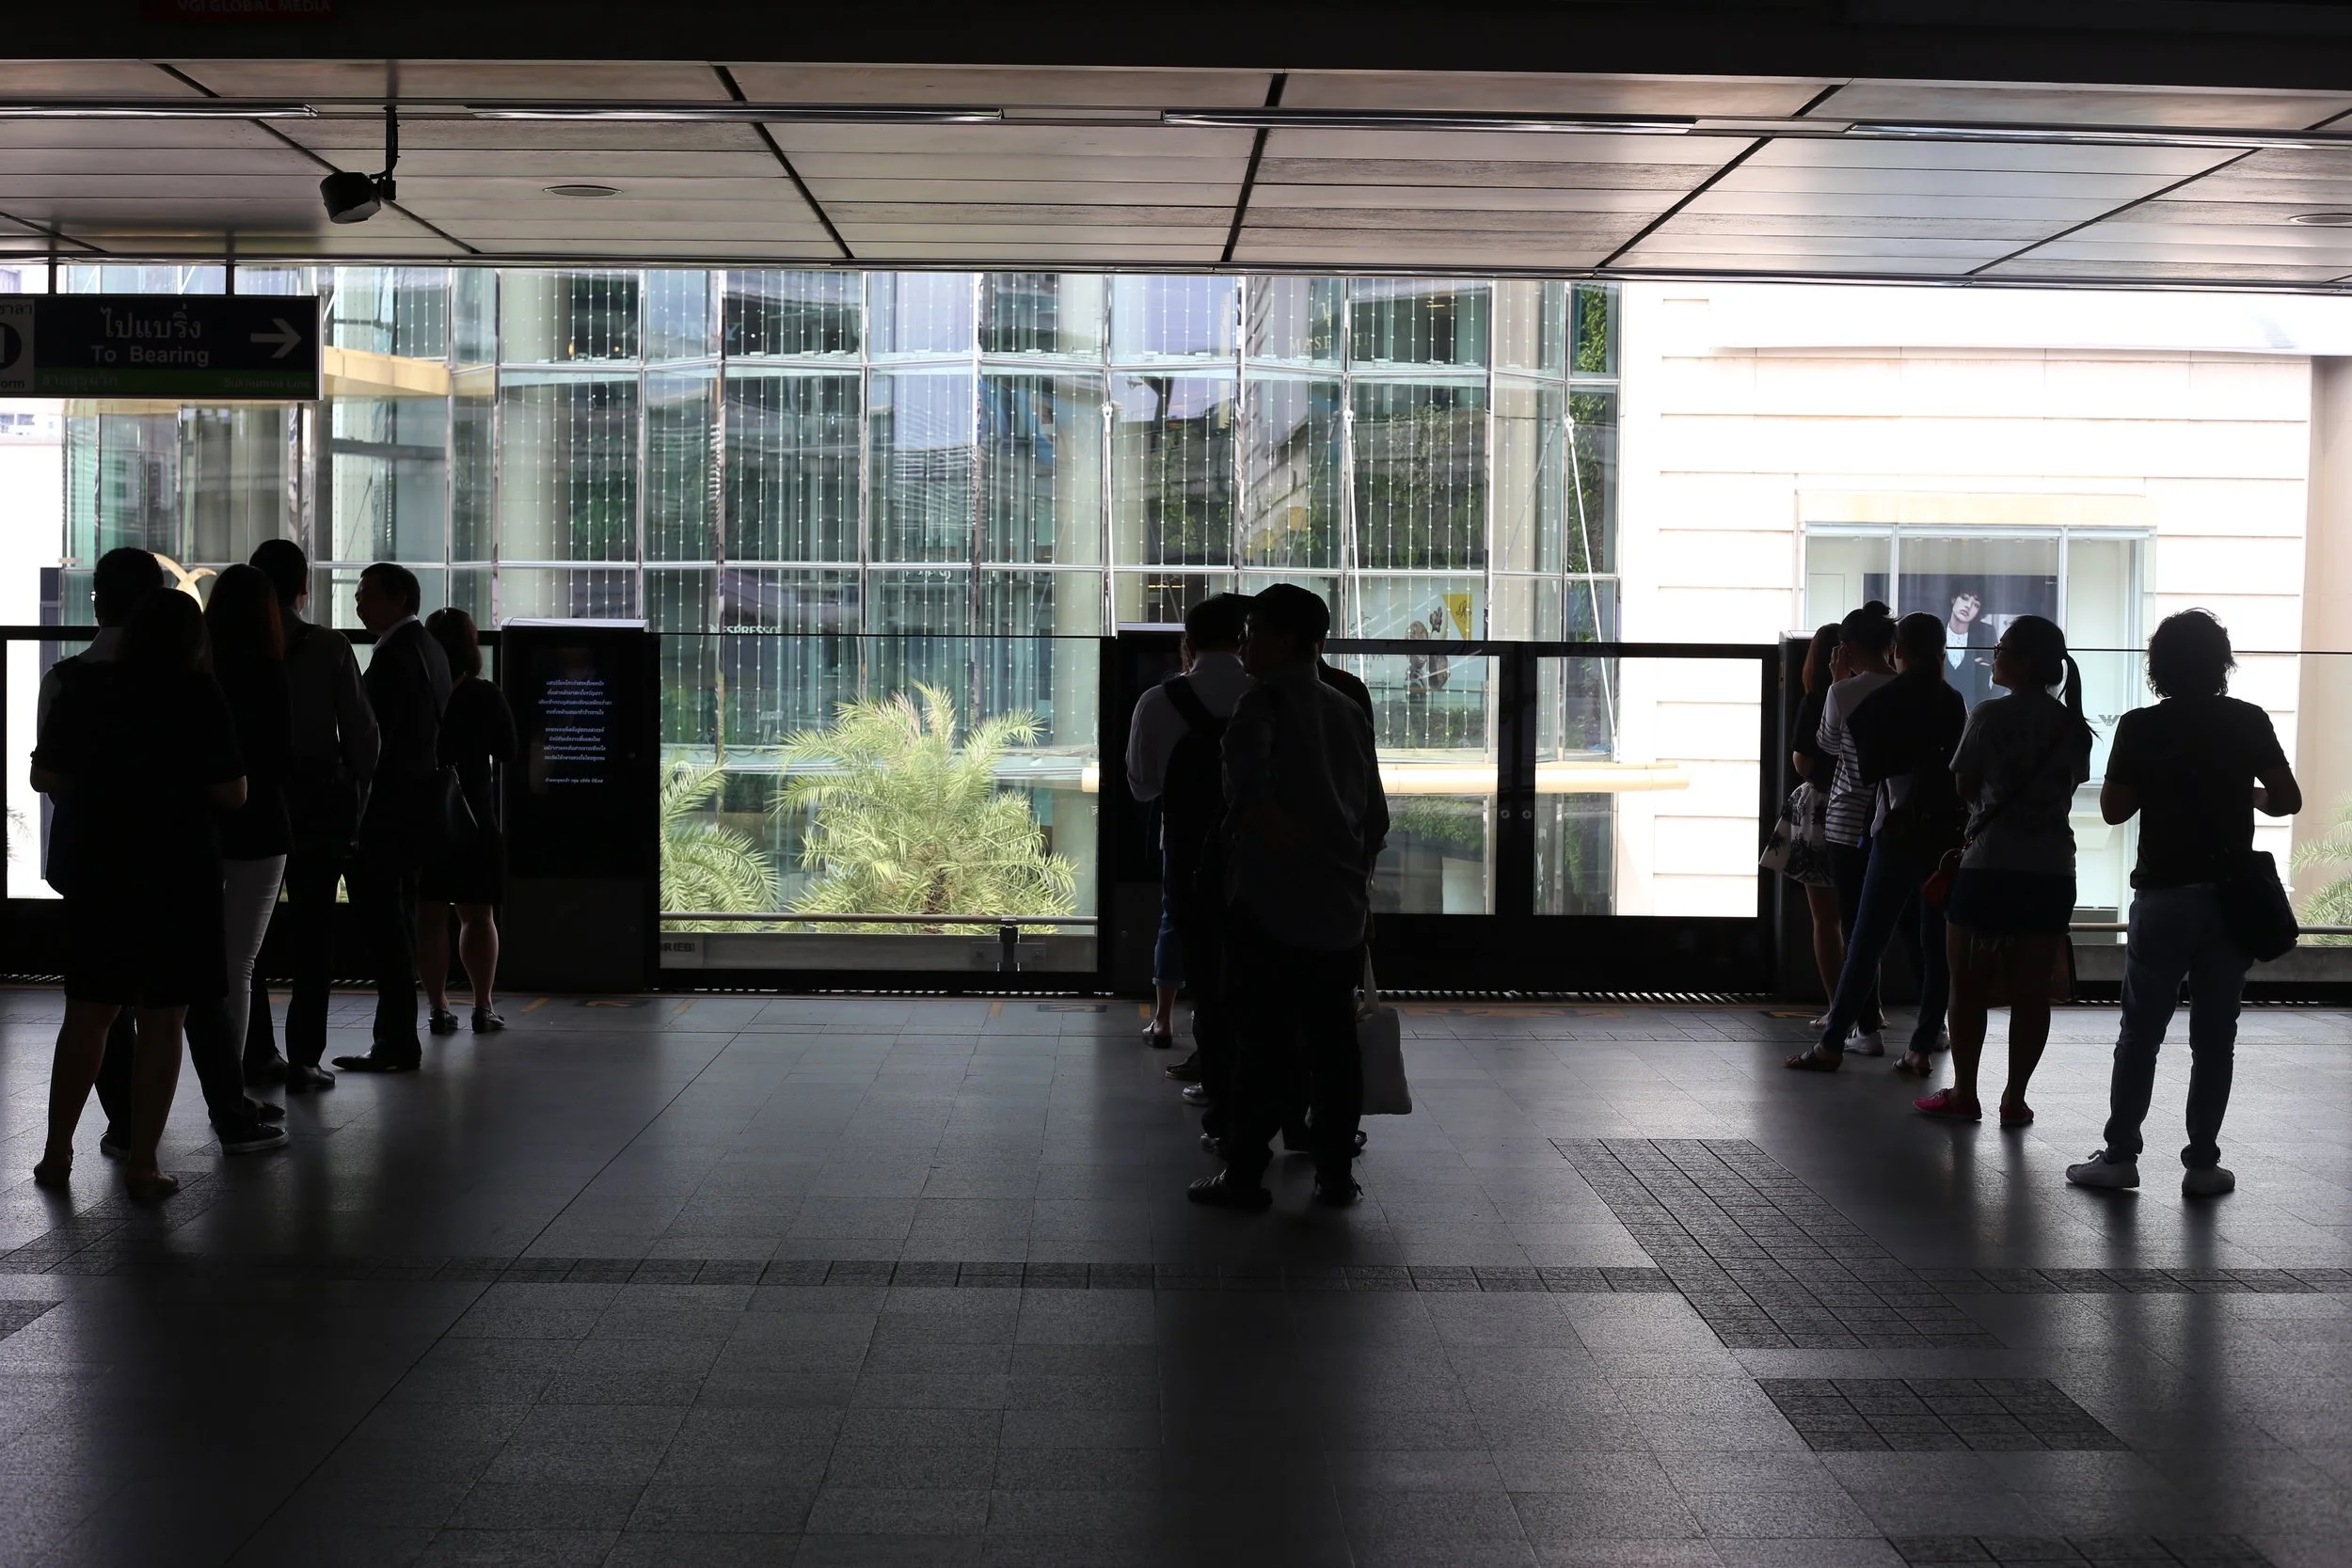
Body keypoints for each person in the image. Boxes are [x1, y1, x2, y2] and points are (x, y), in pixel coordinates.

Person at [2069, 610, 2300, 1197]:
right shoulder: (2247, 720)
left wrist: (2167, 785)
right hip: (2230, 900)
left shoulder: (2141, 726)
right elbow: (2286, 800)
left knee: (2140, 1032)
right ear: (2222, 662)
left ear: (2159, 665)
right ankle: (2201, 1164)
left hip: (2164, 895)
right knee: (2215, 1038)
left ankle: (2121, 1153)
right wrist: (2234, 789)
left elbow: (2115, 810)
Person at [29, 592, 246, 1201]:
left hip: (101, 869)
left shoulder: (87, 689)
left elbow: (45, 776)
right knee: (163, 1017)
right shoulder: (201, 694)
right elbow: (233, 792)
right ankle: (143, 1163)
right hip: (180, 872)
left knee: (89, 1012)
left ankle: (55, 1152)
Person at [1188, 584, 1389, 1212]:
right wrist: (1352, 884)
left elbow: (1248, 797)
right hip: (1339, 914)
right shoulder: (1347, 709)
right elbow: (1374, 819)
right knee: (1333, 1045)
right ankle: (1335, 1175)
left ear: (1279, 638)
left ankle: (1244, 1175)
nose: (1243, 643)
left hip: (1272, 910)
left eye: (1251, 631)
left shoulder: (1261, 704)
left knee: (1262, 1045)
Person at [1915, 615, 2092, 1128]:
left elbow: (1966, 789)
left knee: (1965, 983)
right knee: (2032, 990)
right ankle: (2014, 1099)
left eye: (2002, 647)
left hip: (1989, 866)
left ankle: (1965, 1091)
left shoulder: (1988, 716)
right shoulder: (2073, 727)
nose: (1994, 655)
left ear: (2025, 661)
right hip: (2052, 869)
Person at [1788, 610, 1965, 1075]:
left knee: (1865, 938)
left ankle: (1833, 1042)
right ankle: (1922, 1045)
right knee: (1933, 942)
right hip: (1943, 835)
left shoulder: (1882, 698)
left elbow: (1858, 760)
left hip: (1896, 830)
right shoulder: (1953, 699)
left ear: (1898, 650)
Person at [245, 538, 379, 1094]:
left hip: (246, 803)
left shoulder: (223, 644)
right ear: (304, 585)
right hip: (318, 808)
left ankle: (253, 1052)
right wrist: (357, 804)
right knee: (313, 935)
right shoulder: (329, 647)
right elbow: (364, 737)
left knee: (242, 941)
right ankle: (304, 1058)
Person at [1126, 594, 1254, 1103]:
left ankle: (1213, 1071)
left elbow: (1140, 785)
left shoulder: (1159, 702)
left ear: (1189, 643)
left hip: (1187, 851)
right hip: (1259, 852)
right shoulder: (1266, 695)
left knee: (1193, 947)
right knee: (1250, 956)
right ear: (1245, 640)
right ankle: (1254, 1071)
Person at [334, 562, 453, 1075]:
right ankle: (395, 1039)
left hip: (385, 816)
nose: (359, 606)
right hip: (416, 814)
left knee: (386, 930)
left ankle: (396, 1042)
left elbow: (372, 744)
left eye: (366, 596)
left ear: (399, 597)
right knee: (397, 923)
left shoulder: (394, 658)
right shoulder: (429, 650)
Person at [1793, 602, 1899, 1057]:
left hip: (1842, 820)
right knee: (1882, 924)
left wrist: (1838, 687)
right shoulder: (1911, 690)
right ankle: (1917, 1027)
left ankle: (1860, 1024)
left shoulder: (1838, 693)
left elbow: (1825, 747)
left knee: (1847, 923)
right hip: (1894, 817)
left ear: (1849, 649)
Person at [416, 609, 516, 1037]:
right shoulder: (484, 694)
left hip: (422, 813)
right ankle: (482, 1006)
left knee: (430, 916)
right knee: (478, 915)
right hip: (474, 815)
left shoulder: (416, 689)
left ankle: (438, 1008)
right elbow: (509, 750)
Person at [1788, 624, 1845, 1011]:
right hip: (1869, 810)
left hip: (1823, 812)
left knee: (1825, 921)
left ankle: (1837, 1007)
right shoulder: (1874, 695)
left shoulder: (1816, 701)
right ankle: (1868, 1010)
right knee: (1861, 922)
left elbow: (1804, 764)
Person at [1945, 591, 1994, 707]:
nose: (1968, 606)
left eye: (1976, 604)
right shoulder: (1936, 630)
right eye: (1964, 598)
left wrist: (1990, 708)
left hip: (1975, 714)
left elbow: (1999, 674)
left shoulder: (1986, 635)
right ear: (1953, 599)